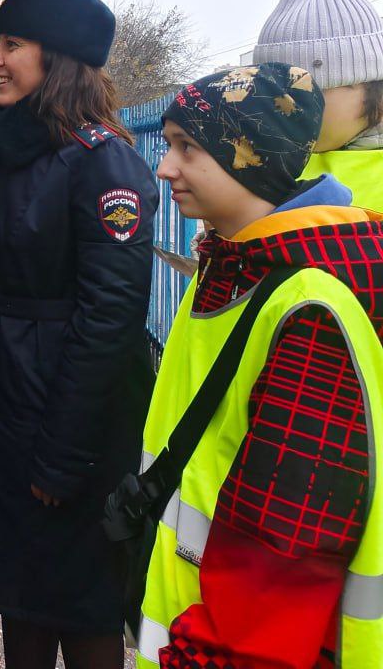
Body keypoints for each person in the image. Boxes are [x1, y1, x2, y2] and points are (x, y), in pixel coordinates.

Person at [141, 63, 383, 668]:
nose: (164, 167)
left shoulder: (307, 309)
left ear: (249, 159)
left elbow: (279, 565)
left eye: (187, 147)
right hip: (188, 618)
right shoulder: (236, 266)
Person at [0, 0, 158, 669]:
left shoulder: (104, 164)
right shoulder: (14, 149)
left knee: (80, 598)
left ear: (58, 57)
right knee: (20, 586)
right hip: (13, 394)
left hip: (73, 415)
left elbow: (110, 320)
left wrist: (66, 455)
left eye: (11, 44)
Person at [251, 0, 383, 209]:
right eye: (276, 96)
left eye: (311, 93)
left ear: (371, 85)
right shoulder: (262, 166)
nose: (290, 110)